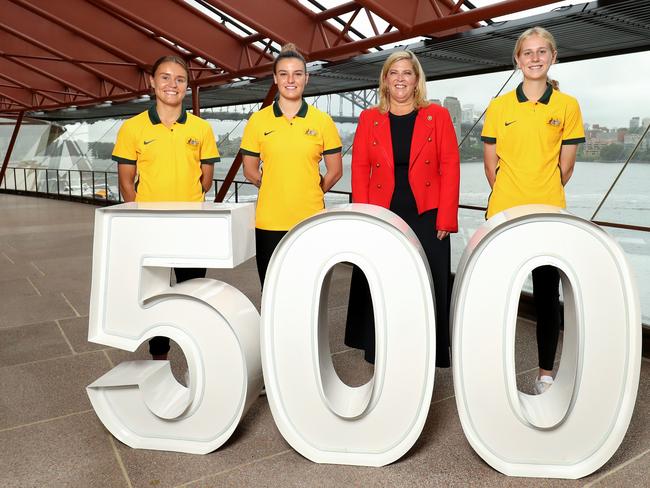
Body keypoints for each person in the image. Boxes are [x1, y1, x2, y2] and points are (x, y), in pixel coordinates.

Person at [481, 26, 585, 394]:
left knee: (546, 296)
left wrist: (542, 194)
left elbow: (566, 167)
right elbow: (490, 166)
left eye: (543, 52)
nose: (536, 58)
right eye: (528, 52)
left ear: (553, 57)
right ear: (518, 59)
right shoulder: (499, 107)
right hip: (505, 215)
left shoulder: (568, 106)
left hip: (549, 214)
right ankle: (492, 370)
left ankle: (544, 374)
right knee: (497, 294)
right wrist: (513, 197)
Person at [345, 50, 460, 368]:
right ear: (384, 79)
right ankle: (378, 347)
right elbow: (360, 168)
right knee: (381, 281)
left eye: (407, 72)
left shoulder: (437, 116)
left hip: (428, 215)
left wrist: (447, 217)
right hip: (383, 215)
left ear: (416, 79)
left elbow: (450, 166)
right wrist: (364, 216)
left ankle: (429, 351)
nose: (400, 78)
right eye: (393, 72)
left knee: (429, 284)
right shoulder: (370, 118)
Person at [112, 55, 220, 360]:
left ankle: (193, 349)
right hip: (150, 225)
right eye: (165, 77)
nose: (172, 85)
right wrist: (140, 219)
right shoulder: (132, 128)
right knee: (155, 293)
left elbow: (206, 181)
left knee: (192, 290)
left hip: (191, 224)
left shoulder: (201, 129)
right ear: (152, 82)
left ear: (186, 86)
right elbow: (126, 183)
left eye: (179, 79)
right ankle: (158, 353)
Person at [240, 43, 343, 287]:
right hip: (269, 221)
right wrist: (271, 186)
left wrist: (312, 191)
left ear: (306, 78)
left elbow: (336, 171)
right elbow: (249, 170)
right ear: (275, 78)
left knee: (309, 290)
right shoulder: (257, 121)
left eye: (297, 74)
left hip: (310, 220)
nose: (291, 80)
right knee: (272, 289)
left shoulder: (322, 121)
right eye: (284, 74)